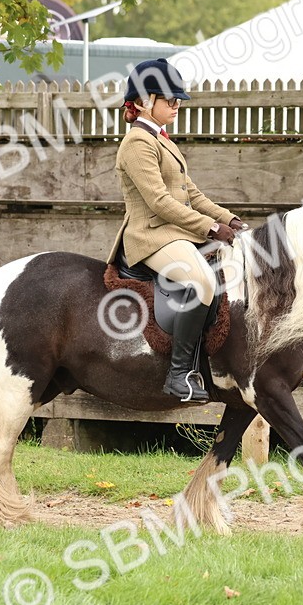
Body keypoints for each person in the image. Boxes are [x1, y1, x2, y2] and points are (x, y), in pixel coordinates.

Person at [105, 58, 249, 402]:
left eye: (178, 99)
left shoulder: (162, 140)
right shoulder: (137, 143)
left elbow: (192, 195)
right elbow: (159, 202)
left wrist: (230, 220)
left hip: (174, 233)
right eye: (170, 99)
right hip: (151, 236)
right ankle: (179, 375)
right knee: (202, 282)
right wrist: (210, 227)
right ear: (144, 101)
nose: (177, 105)